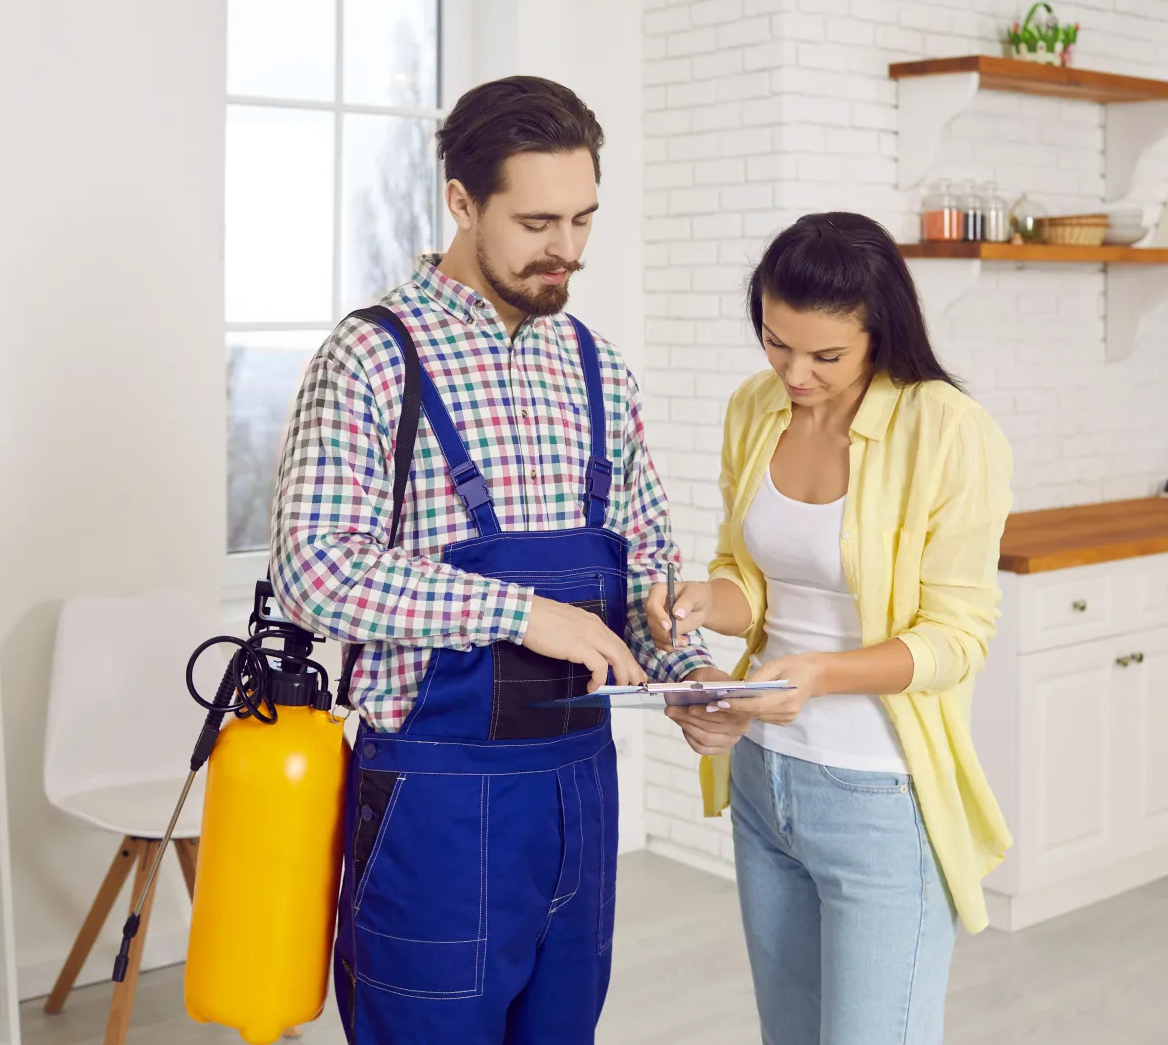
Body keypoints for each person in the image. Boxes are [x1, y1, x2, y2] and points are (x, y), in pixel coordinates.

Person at [268, 75, 727, 1044]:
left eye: (585, 219)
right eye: (537, 221)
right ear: (462, 201)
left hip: (579, 793)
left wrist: (692, 682)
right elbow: (315, 567)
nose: (567, 249)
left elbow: (649, 564)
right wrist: (523, 613)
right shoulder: (372, 357)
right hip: (436, 807)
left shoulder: (598, 367)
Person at [650, 212, 1015, 1044]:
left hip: (879, 793)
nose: (796, 373)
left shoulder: (946, 429)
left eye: (826, 356)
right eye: (778, 344)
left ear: (879, 334)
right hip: (764, 779)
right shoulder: (756, 408)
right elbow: (756, 580)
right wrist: (707, 599)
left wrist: (816, 675)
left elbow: (957, 636)